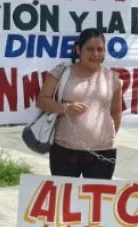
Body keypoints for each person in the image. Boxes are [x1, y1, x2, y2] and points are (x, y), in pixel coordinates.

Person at [36, 28, 124, 179]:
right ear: (78, 49)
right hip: (65, 151)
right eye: (90, 49)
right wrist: (65, 108)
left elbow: (116, 112)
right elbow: (42, 101)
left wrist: (105, 138)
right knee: (65, 201)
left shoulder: (112, 78)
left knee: (98, 202)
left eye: (100, 49)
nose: (95, 54)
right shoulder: (62, 72)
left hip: (102, 153)